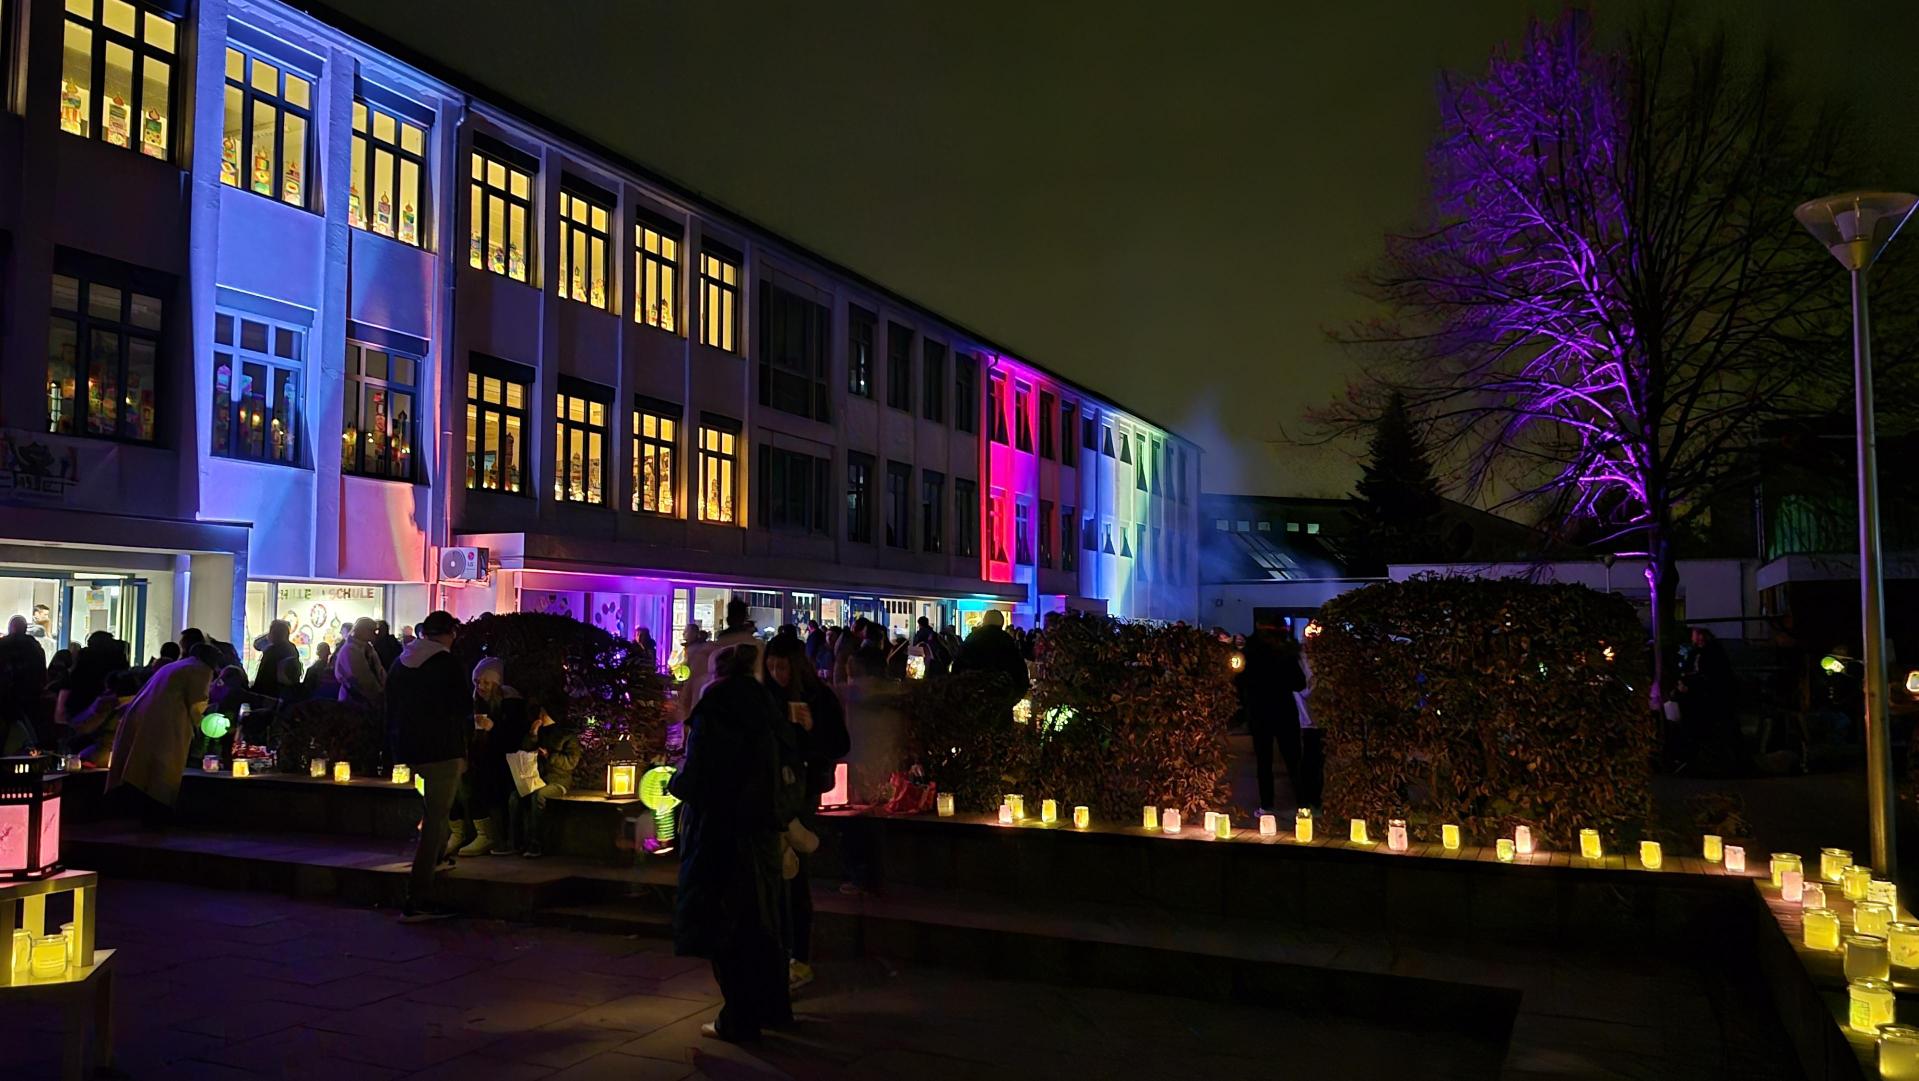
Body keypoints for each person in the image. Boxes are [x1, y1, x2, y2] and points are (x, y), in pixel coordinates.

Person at [671, 644, 788, 1042]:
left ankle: (738, 1017)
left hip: (720, 830)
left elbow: (700, 773)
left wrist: (676, 781)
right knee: (760, 921)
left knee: (723, 923)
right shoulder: (765, 707)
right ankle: (770, 1008)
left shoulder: (716, 709)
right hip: (760, 828)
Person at [763, 635, 849, 991]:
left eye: (782, 667)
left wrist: (811, 730)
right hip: (769, 793)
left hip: (802, 793)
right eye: (771, 666)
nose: (776, 673)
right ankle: (777, 952)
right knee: (774, 876)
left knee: (795, 874)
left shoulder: (818, 697)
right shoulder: (765, 697)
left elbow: (839, 744)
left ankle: (798, 955)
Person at [386, 611, 472, 921]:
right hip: (442, 750)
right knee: (435, 817)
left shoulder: (401, 662)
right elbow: (462, 708)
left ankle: (438, 857)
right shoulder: (446, 664)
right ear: (450, 633)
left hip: (409, 748)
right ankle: (418, 896)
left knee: (435, 811)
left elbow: (389, 705)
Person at [107, 643, 224, 820]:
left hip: (146, 718)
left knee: (140, 764)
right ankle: (157, 812)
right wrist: (205, 722)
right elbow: (197, 703)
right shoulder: (201, 669)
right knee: (162, 769)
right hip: (167, 724)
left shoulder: (175, 666)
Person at [1237, 618, 1310, 814]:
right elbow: (1299, 683)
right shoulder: (1286, 654)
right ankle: (1303, 805)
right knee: (1293, 760)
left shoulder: (1250, 653)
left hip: (1260, 711)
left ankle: (1267, 805)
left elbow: (1240, 681)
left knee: (1264, 761)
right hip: (1284, 710)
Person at [458, 657, 529, 857]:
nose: (480, 686)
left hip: (508, 761)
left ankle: (501, 838)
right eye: (477, 682)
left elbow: (515, 736)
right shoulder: (478, 701)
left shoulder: (510, 701)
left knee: (498, 793)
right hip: (485, 759)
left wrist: (493, 728)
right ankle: (482, 834)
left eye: (486, 682)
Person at [505, 698, 581, 858]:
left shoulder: (567, 736)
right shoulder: (540, 731)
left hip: (558, 781)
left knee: (539, 796)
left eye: (543, 713)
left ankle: (536, 843)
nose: (541, 716)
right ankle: (514, 842)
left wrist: (549, 755)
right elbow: (526, 748)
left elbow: (570, 762)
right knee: (515, 797)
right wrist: (533, 734)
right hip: (536, 778)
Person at [68, 668, 142, 766]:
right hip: (134, 757)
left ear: (112, 689)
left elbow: (82, 727)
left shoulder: (109, 705)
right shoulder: (142, 703)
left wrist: (95, 707)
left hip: (106, 755)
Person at [60, 631, 129, 727]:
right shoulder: (117, 664)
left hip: (82, 715)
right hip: (112, 719)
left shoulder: (84, 661)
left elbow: (72, 686)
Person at [951, 610, 1028, 687]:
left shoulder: (972, 638)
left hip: (973, 687)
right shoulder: (1007, 640)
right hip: (1001, 688)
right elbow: (1018, 669)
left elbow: (959, 665)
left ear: (984, 622)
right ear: (1001, 624)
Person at [0, 615, 46, 732]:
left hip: (5, 697)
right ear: (25, 629)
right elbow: (42, 672)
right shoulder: (35, 647)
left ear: (10, 628)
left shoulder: (3, 644)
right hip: (30, 696)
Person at [335, 617, 387, 711]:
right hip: (354, 701)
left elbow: (379, 671)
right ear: (362, 631)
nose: (375, 634)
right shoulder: (350, 650)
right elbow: (362, 678)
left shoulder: (368, 648)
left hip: (368, 701)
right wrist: (377, 694)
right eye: (372, 631)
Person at [251, 620, 300, 699]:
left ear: (273, 634)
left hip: (270, 695)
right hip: (286, 694)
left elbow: (263, 677)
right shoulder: (292, 649)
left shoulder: (271, 652)